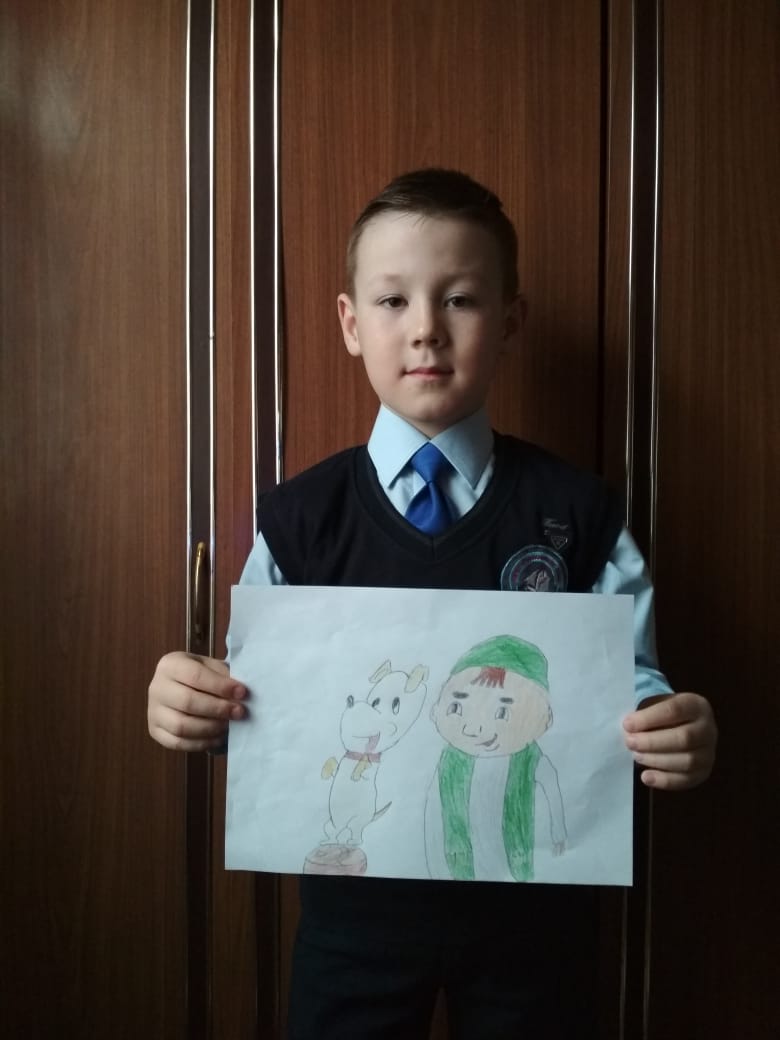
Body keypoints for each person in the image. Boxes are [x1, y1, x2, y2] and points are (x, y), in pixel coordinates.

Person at [148, 168, 717, 1039]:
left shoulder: (579, 516)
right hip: (351, 922)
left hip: (536, 923)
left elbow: (634, 689)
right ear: (350, 324)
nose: (425, 329)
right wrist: (193, 704)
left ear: (510, 322)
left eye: (459, 299)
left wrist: (672, 729)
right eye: (392, 301)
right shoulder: (299, 522)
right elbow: (252, 705)